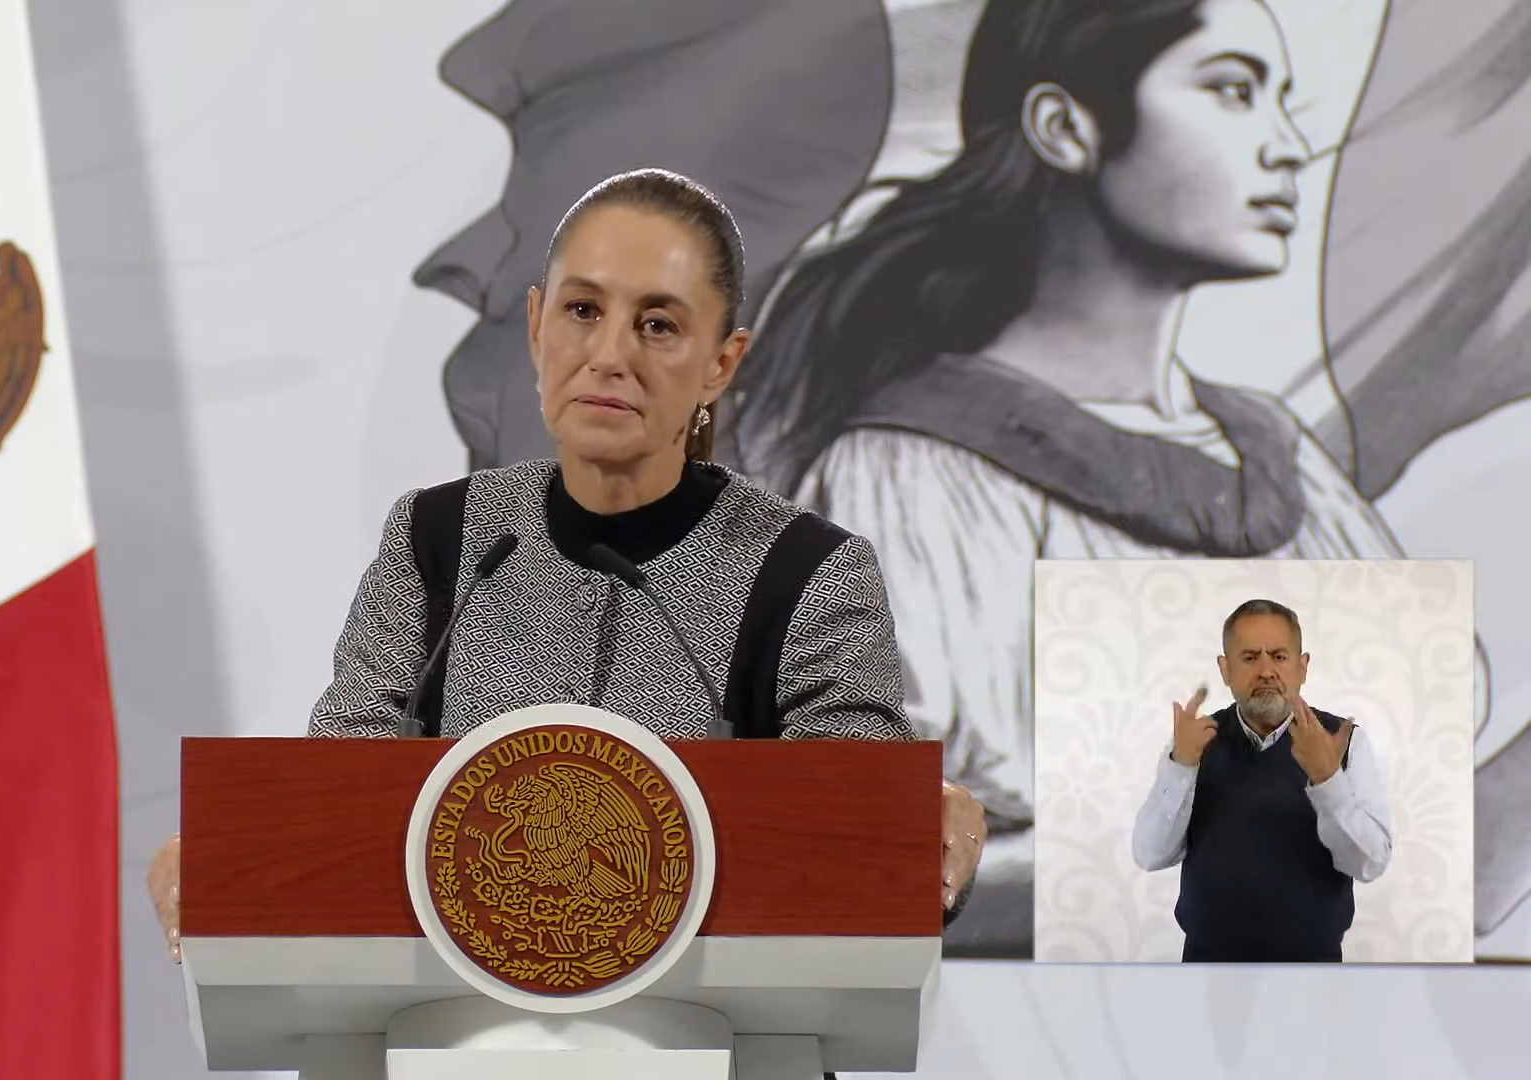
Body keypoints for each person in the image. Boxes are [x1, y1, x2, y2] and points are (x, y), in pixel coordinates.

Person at [147, 168, 990, 966]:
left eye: (659, 325)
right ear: (536, 325)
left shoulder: (808, 573)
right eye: (582, 310)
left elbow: (852, 852)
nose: (610, 354)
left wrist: (915, 831)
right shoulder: (438, 541)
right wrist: (234, 855)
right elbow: (339, 796)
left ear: (722, 364)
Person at [727, 0, 1427, 956]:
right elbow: (868, 853)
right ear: (1065, 127)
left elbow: (1414, 788)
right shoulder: (912, 472)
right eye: (1233, 91)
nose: (1289, 147)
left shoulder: (1286, 459)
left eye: (1282, 101)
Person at [1131, 598, 1394, 963]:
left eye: (1279, 656)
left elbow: (1369, 863)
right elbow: (1149, 854)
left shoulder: (1344, 742)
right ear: (1225, 669)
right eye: (1250, 657)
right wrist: (1181, 766)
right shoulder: (1194, 741)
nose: (1266, 671)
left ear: (1303, 667)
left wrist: (1328, 779)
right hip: (1206, 970)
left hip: (1314, 972)